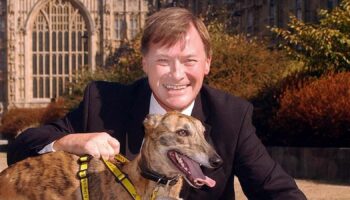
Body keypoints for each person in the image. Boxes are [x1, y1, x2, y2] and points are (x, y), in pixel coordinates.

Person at [7, 7, 306, 199]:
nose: (177, 74)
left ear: (207, 64)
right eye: (163, 61)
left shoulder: (232, 116)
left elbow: (277, 191)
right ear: (144, 64)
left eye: (189, 60)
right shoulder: (103, 102)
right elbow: (22, 148)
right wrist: (71, 140)